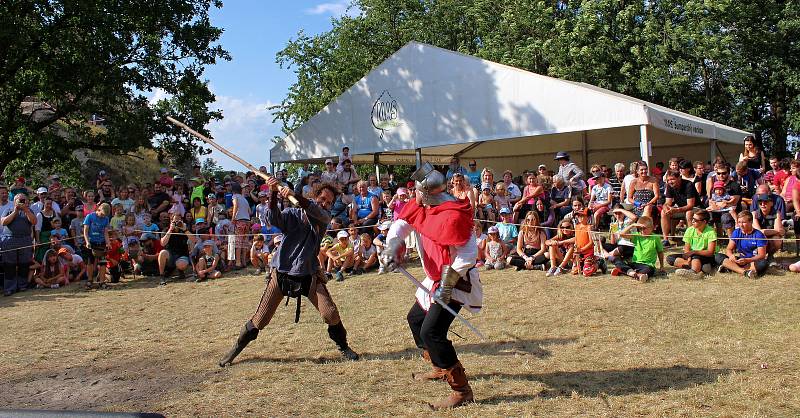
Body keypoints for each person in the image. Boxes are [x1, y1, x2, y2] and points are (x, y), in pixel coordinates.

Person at [219, 178, 359, 366]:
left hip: (309, 274)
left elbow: (314, 210)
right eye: (322, 199)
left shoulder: (323, 217)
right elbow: (272, 218)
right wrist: (274, 192)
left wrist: (294, 195)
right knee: (260, 320)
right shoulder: (292, 213)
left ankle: (344, 346)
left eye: (329, 202)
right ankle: (235, 350)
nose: (325, 203)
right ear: (314, 196)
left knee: (330, 313)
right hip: (282, 274)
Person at [381, 162, 481, 409]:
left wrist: (445, 287)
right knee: (415, 320)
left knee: (432, 332)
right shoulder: (423, 206)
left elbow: (468, 255)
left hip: (456, 280)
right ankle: (439, 366)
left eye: (416, 190)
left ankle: (461, 391)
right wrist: (393, 246)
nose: (413, 193)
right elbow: (401, 225)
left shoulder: (455, 214)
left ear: (425, 192)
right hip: (435, 277)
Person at [1, 193, 37, 296]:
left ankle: (22, 286)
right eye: (19, 200)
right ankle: (9, 288)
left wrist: (26, 210)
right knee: (9, 265)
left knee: (24, 264)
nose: (21, 202)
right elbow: (3, 222)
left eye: (23, 200)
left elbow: (34, 222)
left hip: (25, 239)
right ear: (15, 201)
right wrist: (15, 211)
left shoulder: (29, 211)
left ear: (27, 201)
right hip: (10, 240)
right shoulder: (8, 210)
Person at [611, 216, 664, 282]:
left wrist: (662, 266)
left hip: (647, 265)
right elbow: (621, 234)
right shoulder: (637, 235)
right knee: (617, 260)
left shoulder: (656, 238)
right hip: (635, 263)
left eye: (644, 228)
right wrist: (632, 225)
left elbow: (660, 252)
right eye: (640, 229)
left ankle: (625, 271)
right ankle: (635, 274)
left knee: (650, 270)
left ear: (652, 228)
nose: (642, 231)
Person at [716, 211, 768, 278]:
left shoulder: (759, 235)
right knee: (718, 256)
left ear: (751, 222)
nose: (741, 225)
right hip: (740, 260)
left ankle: (731, 268)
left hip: (752, 261)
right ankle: (744, 272)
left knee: (763, 264)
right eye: (739, 222)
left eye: (743, 222)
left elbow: (761, 255)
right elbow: (729, 249)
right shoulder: (736, 232)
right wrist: (731, 256)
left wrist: (747, 260)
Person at [668, 209, 717, 279]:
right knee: (670, 258)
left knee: (696, 256)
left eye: (695, 220)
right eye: (692, 219)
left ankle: (693, 272)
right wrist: (689, 258)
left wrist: (694, 252)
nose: (692, 221)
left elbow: (710, 252)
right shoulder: (689, 230)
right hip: (692, 255)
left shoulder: (711, 232)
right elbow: (687, 249)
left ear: (704, 222)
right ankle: (697, 267)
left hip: (705, 256)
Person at [661, 170, 698, 246]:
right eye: (668, 180)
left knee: (689, 213)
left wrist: (676, 210)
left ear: (679, 178)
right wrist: (665, 208)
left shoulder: (689, 185)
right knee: (663, 212)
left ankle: (690, 240)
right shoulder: (669, 186)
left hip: (696, 208)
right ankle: (666, 239)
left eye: (672, 179)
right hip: (681, 209)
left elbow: (690, 205)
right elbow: (668, 202)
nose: (670, 182)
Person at [82, 203, 112, 289]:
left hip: (101, 243)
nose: (103, 217)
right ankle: (90, 280)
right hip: (91, 243)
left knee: (103, 263)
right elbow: (85, 232)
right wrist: (87, 242)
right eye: (102, 214)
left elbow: (105, 232)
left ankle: (102, 282)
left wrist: (108, 243)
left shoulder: (106, 219)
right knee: (90, 262)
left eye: (105, 215)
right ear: (98, 209)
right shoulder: (90, 217)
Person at [157, 212, 192, 285]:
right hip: (170, 255)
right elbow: (162, 243)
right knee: (162, 253)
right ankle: (161, 276)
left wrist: (185, 230)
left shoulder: (185, 229)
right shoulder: (166, 230)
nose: (177, 223)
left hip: (182, 254)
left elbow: (194, 240)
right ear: (171, 221)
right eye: (175, 221)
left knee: (181, 265)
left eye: (178, 221)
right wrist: (170, 230)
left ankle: (180, 270)